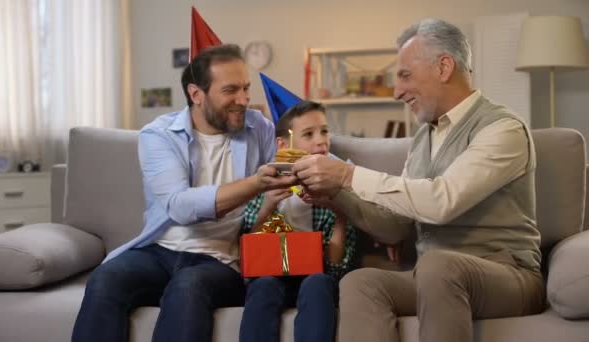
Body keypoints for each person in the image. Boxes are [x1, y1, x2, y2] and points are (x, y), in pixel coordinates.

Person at [292, 18, 544, 342]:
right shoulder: (424, 135)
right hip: (433, 276)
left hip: (508, 276)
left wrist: (348, 174)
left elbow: (442, 202)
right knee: (360, 283)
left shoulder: (502, 130)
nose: (397, 91)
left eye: (405, 76)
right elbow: (395, 226)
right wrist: (335, 194)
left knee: (438, 267)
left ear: (443, 67)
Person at [71, 44, 297, 342]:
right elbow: (179, 206)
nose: (243, 100)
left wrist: (337, 170)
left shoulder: (259, 128)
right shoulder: (159, 135)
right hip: (159, 249)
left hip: (221, 257)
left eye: (246, 88)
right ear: (196, 94)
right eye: (231, 90)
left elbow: (294, 162)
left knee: (188, 285)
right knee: (105, 278)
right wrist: (256, 183)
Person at [239, 100, 358, 342]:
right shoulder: (266, 182)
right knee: (263, 286)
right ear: (283, 145)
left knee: (318, 283)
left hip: (317, 275)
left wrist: (339, 213)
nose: (320, 140)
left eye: (324, 131)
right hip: (270, 274)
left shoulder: (339, 187)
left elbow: (336, 267)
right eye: (308, 134)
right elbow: (248, 253)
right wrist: (268, 206)